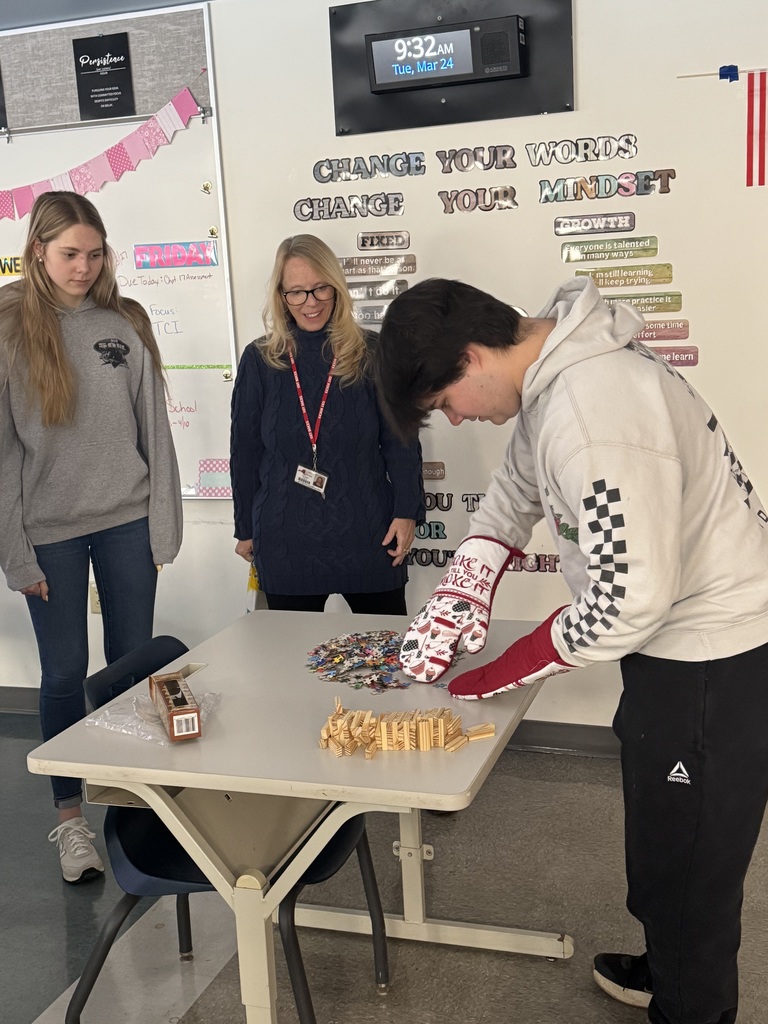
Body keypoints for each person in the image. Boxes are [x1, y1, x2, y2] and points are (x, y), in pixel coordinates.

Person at [373, 275, 768, 1024]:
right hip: (678, 652)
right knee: (664, 840)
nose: (455, 422)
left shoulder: (593, 407)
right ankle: (667, 968)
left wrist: (510, 664)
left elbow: (631, 597)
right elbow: (519, 483)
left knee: (691, 871)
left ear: (471, 357)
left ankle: (690, 1002)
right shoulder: (557, 374)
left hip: (710, 658)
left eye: (444, 404)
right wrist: (470, 576)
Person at [0, 192, 183, 883]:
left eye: (94, 253)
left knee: (134, 663)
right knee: (63, 671)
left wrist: (162, 525)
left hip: (126, 522)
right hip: (47, 533)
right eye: (69, 253)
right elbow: (2, 455)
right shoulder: (11, 327)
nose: (83, 266)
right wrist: (14, 553)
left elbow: (153, 432)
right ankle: (70, 821)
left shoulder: (123, 322)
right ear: (38, 250)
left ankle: (134, 803)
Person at [230, 234, 424, 614]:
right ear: (281, 296)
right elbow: (245, 451)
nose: (311, 303)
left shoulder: (373, 352)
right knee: (290, 658)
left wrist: (406, 511)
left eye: (320, 289)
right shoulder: (260, 360)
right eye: (297, 292)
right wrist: (245, 527)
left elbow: (401, 440)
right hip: (285, 536)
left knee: (382, 654)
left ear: (336, 287)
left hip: (369, 531)